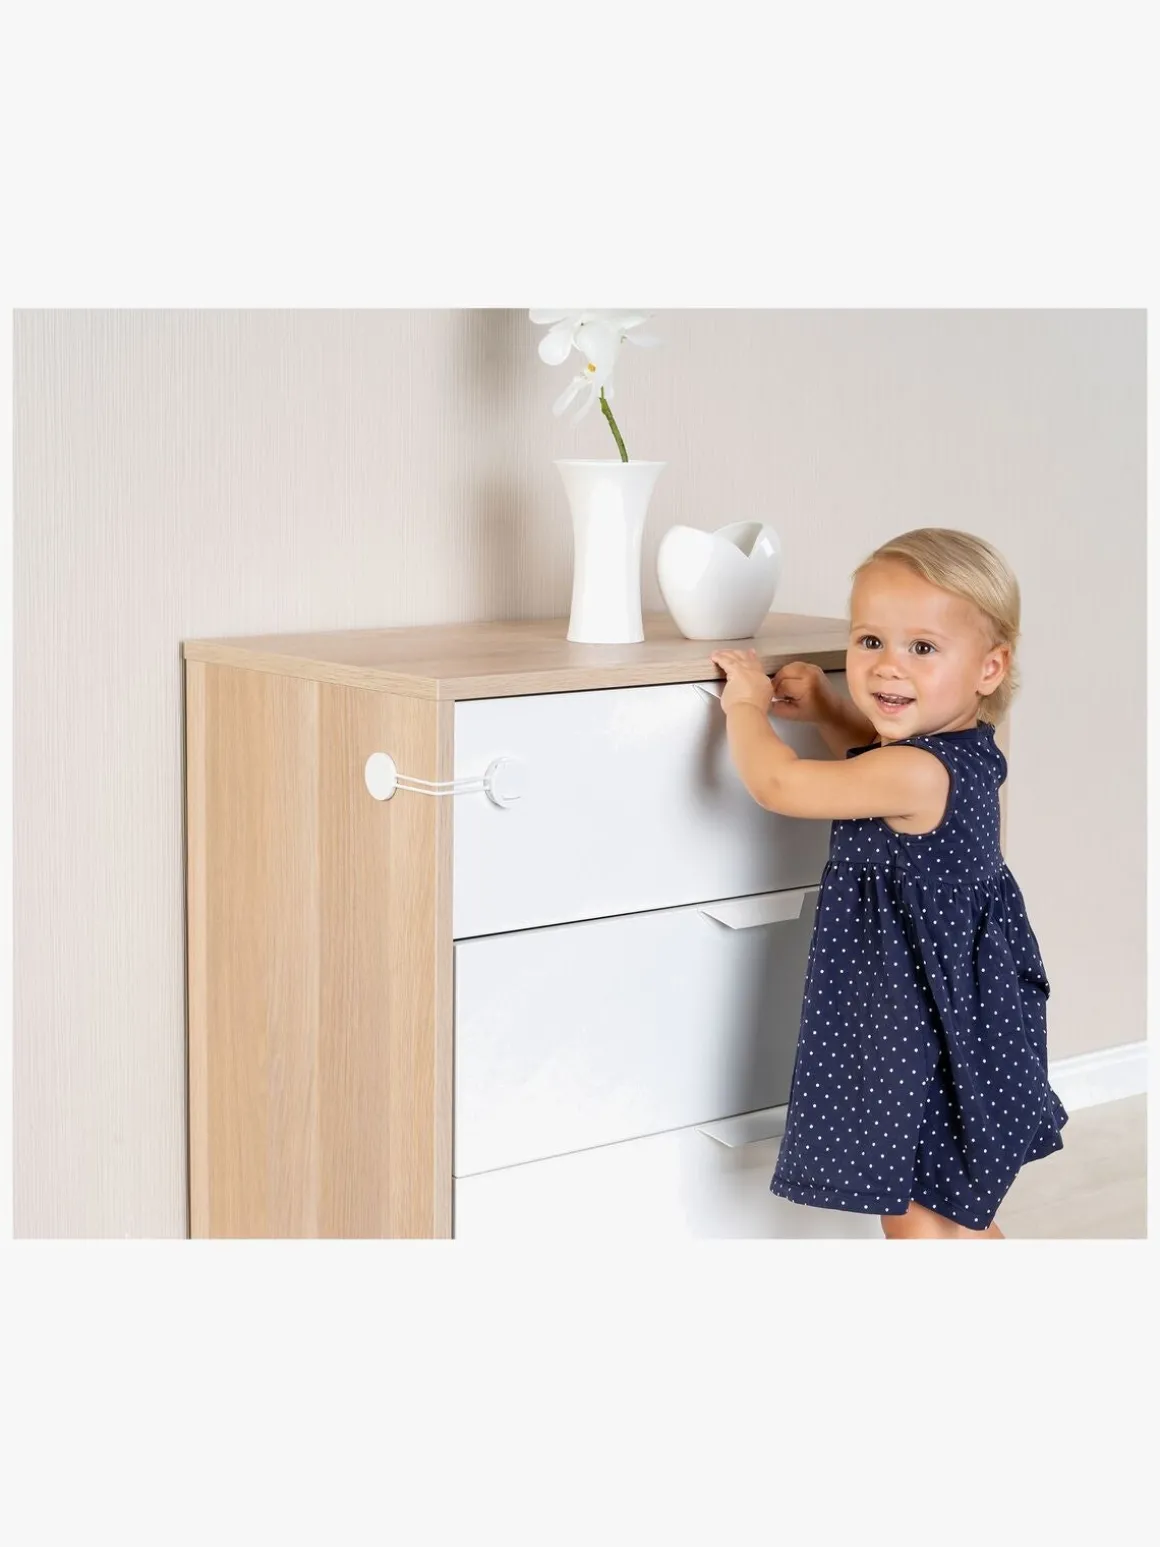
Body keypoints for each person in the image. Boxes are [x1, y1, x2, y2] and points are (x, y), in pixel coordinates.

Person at [709, 527, 1067, 1240]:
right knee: (948, 1205)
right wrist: (828, 710)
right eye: (870, 640)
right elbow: (875, 763)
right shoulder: (962, 752)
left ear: (989, 667)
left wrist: (744, 706)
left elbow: (780, 784)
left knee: (916, 1213)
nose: (887, 666)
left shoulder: (916, 773)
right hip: (957, 1011)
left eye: (922, 648)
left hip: (917, 1022)